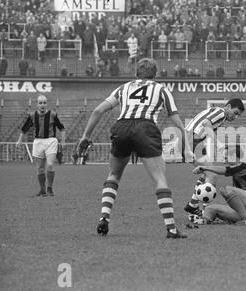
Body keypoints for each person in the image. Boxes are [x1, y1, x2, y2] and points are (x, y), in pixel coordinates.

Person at [77, 58, 194, 239]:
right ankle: (171, 229)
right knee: (159, 179)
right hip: (145, 128)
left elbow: (98, 111)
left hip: (121, 127)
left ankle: (104, 217)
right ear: (155, 75)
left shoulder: (124, 88)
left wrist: (85, 137)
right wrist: (186, 144)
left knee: (114, 175)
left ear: (136, 73)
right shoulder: (161, 89)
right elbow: (176, 119)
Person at [183, 99, 245, 216]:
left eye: (238, 115)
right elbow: (206, 123)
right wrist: (219, 145)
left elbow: (204, 127)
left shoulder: (217, 113)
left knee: (207, 173)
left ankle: (193, 205)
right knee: (212, 174)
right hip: (189, 142)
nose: (236, 117)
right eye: (235, 112)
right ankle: (203, 210)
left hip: (190, 141)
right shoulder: (221, 113)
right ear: (228, 106)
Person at [190, 145, 246, 225]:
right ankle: (205, 221)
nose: (223, 161)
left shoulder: (244, 166)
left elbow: (225, 170)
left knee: (226, 190)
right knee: (210, 209)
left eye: (225, 158)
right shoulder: (238, 170)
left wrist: (205, 168)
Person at [16, 95, 66, 197]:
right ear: (37, 104)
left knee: (50, 164)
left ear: (46, 104)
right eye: (40, 103)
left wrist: (63, 141)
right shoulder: (32, 115)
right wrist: (19, 141)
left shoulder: (52, 114)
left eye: (44, 103)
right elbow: (24, 129)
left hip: (51, 141)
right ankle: (42, 190)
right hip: (38, 142)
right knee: (40, 168)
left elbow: (62, 128)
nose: (42, 105)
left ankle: (50, 188)